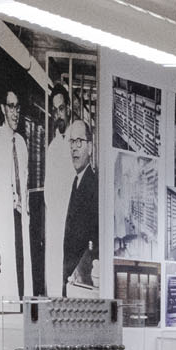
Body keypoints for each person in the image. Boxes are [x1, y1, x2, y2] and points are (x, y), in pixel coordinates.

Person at [0, 89, 38, 298]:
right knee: (5, 289)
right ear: (2, 109)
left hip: (20, 222)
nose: (15, 112)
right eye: (11, 107)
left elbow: (24, 189)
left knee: (22, 284)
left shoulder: (22, 144)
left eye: (18, 107)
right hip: (2, 227)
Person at [61, 115, 98, 293]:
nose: (74, 148)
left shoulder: (94, 185)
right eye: (71, 142)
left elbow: (94, 242)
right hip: (72, 279)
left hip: (82, 283)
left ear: (90, 148)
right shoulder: (76, 181)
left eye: (79, 142)